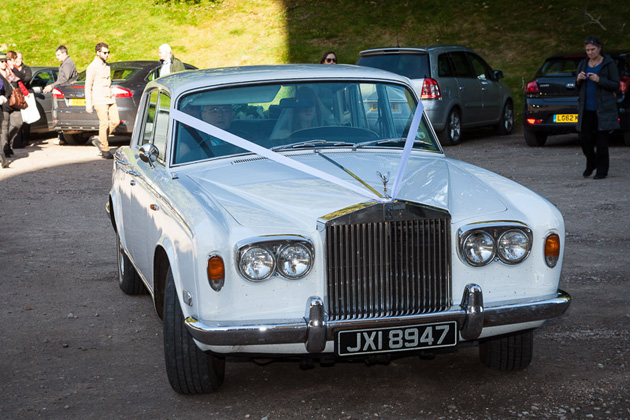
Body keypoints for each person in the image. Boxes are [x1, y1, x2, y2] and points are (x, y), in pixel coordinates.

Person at [576, 35, 620, 180]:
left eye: (593, 49)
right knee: (585, 139)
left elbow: (615, 85)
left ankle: (602, 170)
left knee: (602, 142)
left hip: (603, 109)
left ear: (599, 48)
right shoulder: (583, 63)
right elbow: (577, 87)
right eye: (587, 50)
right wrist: (578, 79)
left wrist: (599, 80)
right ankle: (591, 162)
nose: (590, 52)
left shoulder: (608, 64)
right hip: (586, 109)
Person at [85, 42, 119, 159]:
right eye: (105, 53)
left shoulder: (107, 66)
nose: (107, 55)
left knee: (116, 121)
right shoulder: (92, 67)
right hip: (99, 99)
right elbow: (88, 86)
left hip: (109, 97)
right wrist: (88, 104)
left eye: (108, 52)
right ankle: (105, 149)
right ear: (98, 53)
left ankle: (100, 139)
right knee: (104, 123)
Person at [0, 52, 23, 162]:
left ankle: (7, 142)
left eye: (5, 61)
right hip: (4, 103)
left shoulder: (11, 72)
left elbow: (23, 77)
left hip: (14, 102)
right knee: (4, 127)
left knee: (18, 123)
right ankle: (5, 150)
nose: (4, 63)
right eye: (2, 61)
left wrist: (13, 68)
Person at [11, 52, 33, 149]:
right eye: (17, 59)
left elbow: (27, 78)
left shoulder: (26, 68)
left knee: (26, 119)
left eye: (20, 59)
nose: (18, 61)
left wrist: (21, 78)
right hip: (16, 96)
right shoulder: (11, 69)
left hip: (24, 95)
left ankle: (25, 139)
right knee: (18, 119)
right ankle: (17, 141)